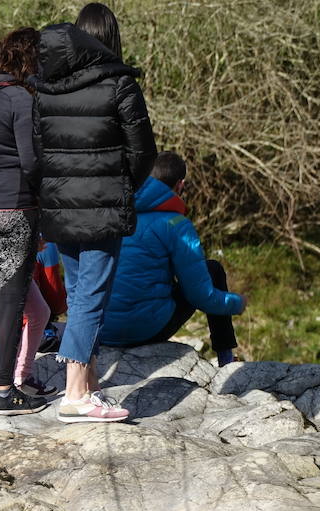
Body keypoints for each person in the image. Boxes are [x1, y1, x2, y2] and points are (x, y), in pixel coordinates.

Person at [37, 5, 157, 423]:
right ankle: (75, 395)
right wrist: (125, 187)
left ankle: (86, 382)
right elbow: (144, 151)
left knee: (78, 294)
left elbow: (39, 150)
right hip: (103, 205)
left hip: (58, 205)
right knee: (92, 294)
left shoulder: (47, 86)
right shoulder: (119, 83)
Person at [99, 152, 246, 365]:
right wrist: (236, 303)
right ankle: (225, 358)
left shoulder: (112, 216)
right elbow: (200, 295)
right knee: (212, 269)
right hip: (146, 331)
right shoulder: (176, 224)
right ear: (180, 185)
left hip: (102, 330)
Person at [0, 28, 45, 416]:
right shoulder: (20, 98)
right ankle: (3, 391)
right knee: (10, 301)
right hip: (13, 210)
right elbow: (31, 161)